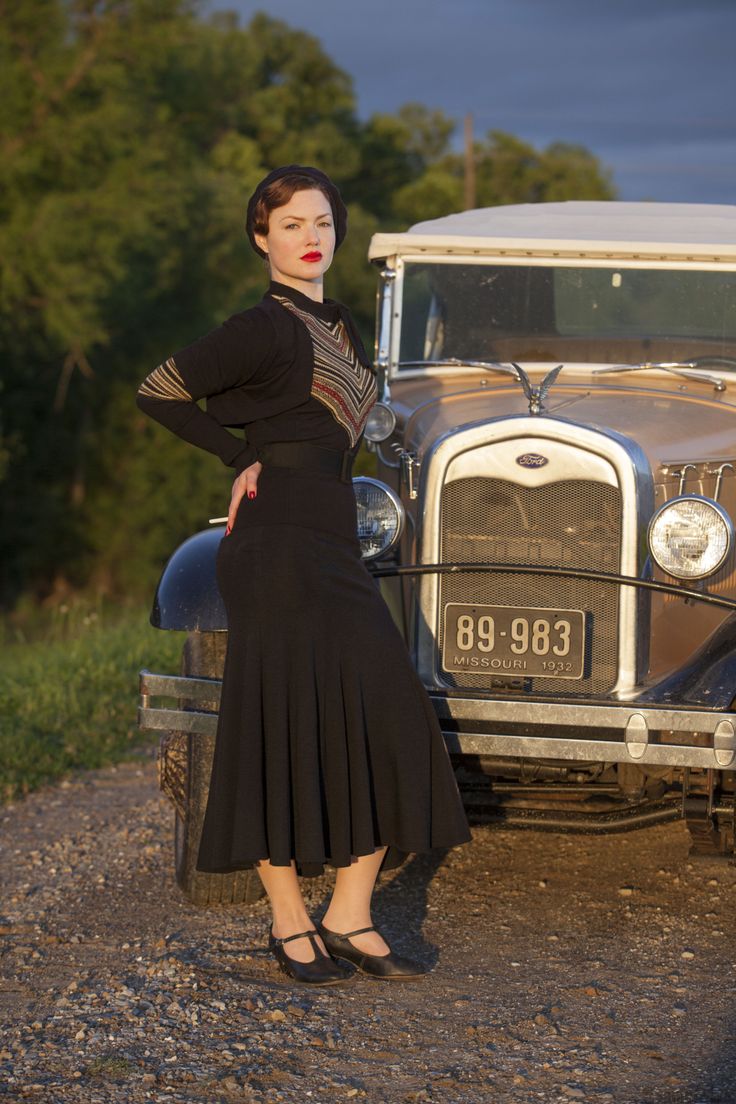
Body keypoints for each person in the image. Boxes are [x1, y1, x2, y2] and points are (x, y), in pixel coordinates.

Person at [136, 165, 471, 985]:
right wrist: (239, 453)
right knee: (273, 722)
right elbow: (160, 389)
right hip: (275, 538)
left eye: (321, 222)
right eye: (290, 225)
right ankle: (289, 920)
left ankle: (350, 912)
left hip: (330, 535)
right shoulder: (262, 327)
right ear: (263, 239)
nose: (310, 237)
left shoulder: (343, 324)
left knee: (390, 710)